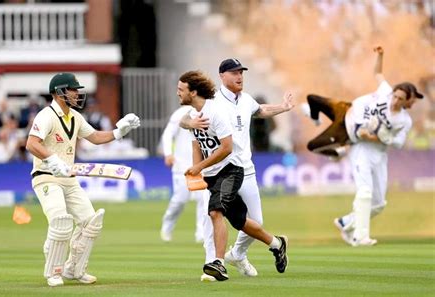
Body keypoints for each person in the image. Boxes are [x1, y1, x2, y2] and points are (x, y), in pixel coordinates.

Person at [181, 59, 294, 281]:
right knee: (212, 214)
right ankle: (213, 263)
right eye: (234, 72)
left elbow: (260, 110)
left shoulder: (245, 99)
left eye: (241, 72)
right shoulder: (212, 100)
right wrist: (190, 125)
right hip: (218, 169)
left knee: (252, 222)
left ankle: (239, 254)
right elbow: (186, 119)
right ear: (222, 76)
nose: (239, 76)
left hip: (245, 169)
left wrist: (283, 107)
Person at [25, 72, 140, 287]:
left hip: (69, 178)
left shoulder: (75, 117)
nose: (77, 94)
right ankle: (54, 272)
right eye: (73, 89)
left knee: (90, 223)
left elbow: (95, 137)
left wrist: (119, 131)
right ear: (60, 92)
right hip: (46, 177)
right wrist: (51, 159)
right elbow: (31, 144)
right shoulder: (46, 116)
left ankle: (74, 269)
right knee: (61, 221)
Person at [301, 47, 424, 246]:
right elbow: (378, 73)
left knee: (378, 204)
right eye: (395, 96)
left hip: (379, 154)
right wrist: (381, 55)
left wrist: (382, 139)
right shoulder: (384, 93)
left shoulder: (404, 120)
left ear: (407, 101)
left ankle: (345, 222)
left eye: (401, 99)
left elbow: (400, 142)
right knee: (364, 192)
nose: (395, 100)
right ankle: (360, 236)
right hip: (360, 149)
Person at [159, 105, 205, 243]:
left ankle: (201, 234)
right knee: (180, 200)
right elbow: (168, 134)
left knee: (203, 200)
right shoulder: (180, 113)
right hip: (181, 166)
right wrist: (168, 153)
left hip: (201, 165)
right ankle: (167, 226)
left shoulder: (208, 110)